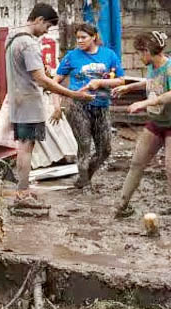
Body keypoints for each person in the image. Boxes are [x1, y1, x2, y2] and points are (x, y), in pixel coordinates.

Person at [5, 4, 94, 202]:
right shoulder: (29, 44)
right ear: (39, 20)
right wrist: (72, 94)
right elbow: (42, 79)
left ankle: (22, 189)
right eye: (47, 27)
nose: (46, 33)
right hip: (29, 103)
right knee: (27, 147)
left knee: (24, 146)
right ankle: (23, 193)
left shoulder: (12, 39)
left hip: (18, 102)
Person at [111, 31, 171, 219]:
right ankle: (121, 206)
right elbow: (152, 82)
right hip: (157, 122)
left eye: (140, 53)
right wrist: (130, 87)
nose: (139, 57)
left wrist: (145, 103)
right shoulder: (153, 67)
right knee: (137, 162)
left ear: (147, 51)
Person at [51, 23, 125, 189]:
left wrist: (100, 82)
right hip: (77, 106)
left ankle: (84, 178)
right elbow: (54, 83)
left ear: (94, 37)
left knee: (105, 150)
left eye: (83, 37)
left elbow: (121, 80)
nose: (80, 41)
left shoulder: (109, 55)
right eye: (77, 38)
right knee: (84, 145)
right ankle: (85, 185)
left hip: (101, 106)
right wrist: (56, 107)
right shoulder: (72, 56)